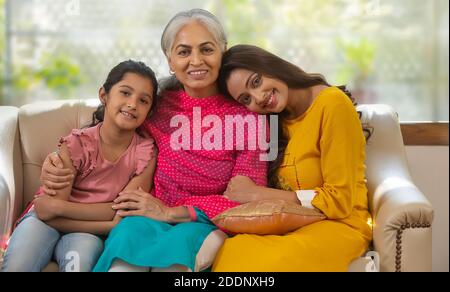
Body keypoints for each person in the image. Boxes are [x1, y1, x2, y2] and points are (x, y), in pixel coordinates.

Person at [39, 9, 268, 272]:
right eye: (183, 52)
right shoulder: (155, 104)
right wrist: (58, 161)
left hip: (202, 222)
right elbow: (106, 132)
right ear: (169, 60)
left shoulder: (248, 118)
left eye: (207, 49)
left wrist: (173, 212)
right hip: (143, 217)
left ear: (223, 52)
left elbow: (246, 201)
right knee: (122, 265)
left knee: (173, 267)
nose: (196, 61)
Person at [211, 44, 373, 272]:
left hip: (341, 223)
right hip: (296, 222)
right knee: (233, 250)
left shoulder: (332, 104)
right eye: (246, 99)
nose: (258, 98)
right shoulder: (276, 120)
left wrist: (258, 194)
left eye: (256, 82)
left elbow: (339, 200)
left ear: (271, 66)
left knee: (264, 263)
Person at [1, 60, 158, 272]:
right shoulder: (77, 143)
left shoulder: (145, 153)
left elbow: (121, 210)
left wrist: (60, 209)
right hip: (42, 223)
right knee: (17, 266)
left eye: (143, 100)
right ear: (104, 95)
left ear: (149, 111)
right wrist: (106, 222)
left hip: (87, 233)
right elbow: (47, 212)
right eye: (125, 93)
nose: (132, 104)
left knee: (79, 265)